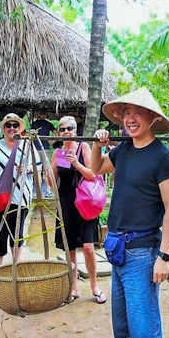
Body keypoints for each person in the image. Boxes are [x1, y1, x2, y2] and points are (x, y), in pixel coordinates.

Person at [91, 87, 169, 338]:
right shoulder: (124, 150)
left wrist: (163, 257)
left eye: (137, 113)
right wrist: (97, 145)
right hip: (117, 249)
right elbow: (96, 169)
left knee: (144, 332)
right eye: (126, 113)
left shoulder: (164, 158)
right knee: (132, 327)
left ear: (152, 117)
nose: (130, 119)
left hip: (143, 254)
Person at [52, 115, 106, 303]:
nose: (66, 132)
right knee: (70, 248)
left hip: (85, 202)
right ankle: (74, 287)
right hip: (66, 202)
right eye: (63, 129)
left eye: (70, 128)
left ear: (76, 130)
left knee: (89, 247)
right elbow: (52, 183)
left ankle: (94, 286)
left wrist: (75, 162)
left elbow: (93, 174)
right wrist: (48, 173)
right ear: (59, 132)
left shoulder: (83, 147)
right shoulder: (57, 152)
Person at [0, 113, 41, 266]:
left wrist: (27, 168)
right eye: (8, 125)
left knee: (17, 234)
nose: (11, 128)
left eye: (15, 125)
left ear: (19, 128)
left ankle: (15, 268)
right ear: (3, 128)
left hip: (21, 196)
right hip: (1, 197)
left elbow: (38, 166)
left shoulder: (27, 145)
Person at [30, 110, 56, 197]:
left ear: (46, 114)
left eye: (43, 113)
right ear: (39, 114)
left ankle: (48, 191)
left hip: (45, 149)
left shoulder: (47, 124)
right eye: (41, 113)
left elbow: (57, 134)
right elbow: (31, 135)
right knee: (37, 171)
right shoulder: (35, 124)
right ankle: (37, 191)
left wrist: (51, 142)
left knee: (47, 170)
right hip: (36, 149)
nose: (42, 115)